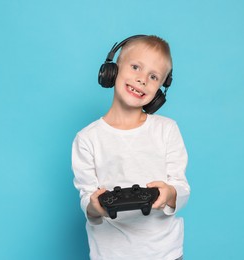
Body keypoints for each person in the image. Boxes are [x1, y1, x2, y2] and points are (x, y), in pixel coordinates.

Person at [72, 35, 190, 260]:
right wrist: (95, 206)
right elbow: (87, 198)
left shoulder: (167, 130)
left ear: (160, 90)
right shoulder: (87, 139)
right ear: (112, 71)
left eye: (153, 76)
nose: (142, 79)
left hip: (164, 253)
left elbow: (181, 187)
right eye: (136, 67)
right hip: (111, 254)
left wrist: (170, 193)